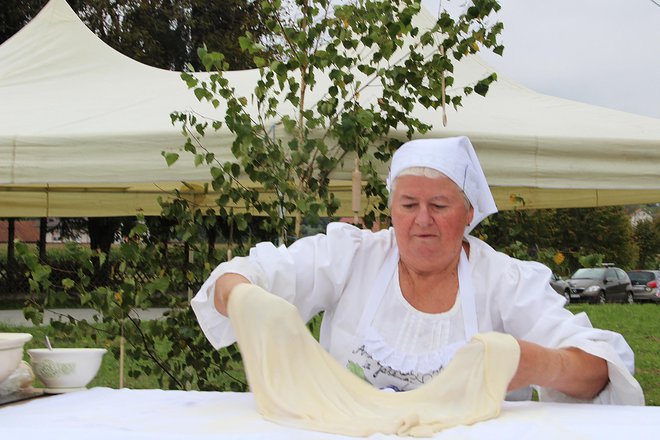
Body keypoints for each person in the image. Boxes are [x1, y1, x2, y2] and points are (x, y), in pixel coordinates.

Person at [192, 136, 644, 404]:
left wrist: (535, 363)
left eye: (439, 205)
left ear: (469, 214)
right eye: (408, 205)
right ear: (391, 208)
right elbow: (243, 275)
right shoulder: (350, 257)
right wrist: (246, 299)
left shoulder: (504, 282)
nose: (421, 220)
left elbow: (599, 371)